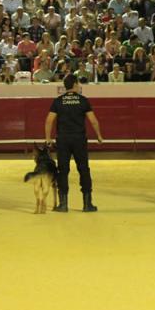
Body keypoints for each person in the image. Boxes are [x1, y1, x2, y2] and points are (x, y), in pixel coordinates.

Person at [44, 74, 104, 212]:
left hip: (63, 139)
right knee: (84, 169)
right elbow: (93, 120)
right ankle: (87, 204)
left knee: (63, 170)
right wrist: (99, 136)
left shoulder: (58, 101)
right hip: (79, 139)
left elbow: (49, 120)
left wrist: (48, 138)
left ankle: (63, 204)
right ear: (75, 84)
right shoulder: (83, 100)